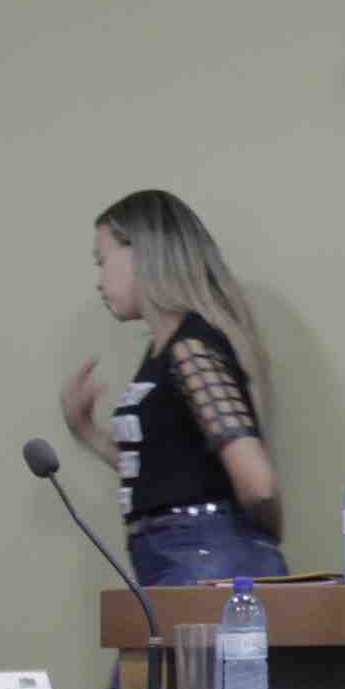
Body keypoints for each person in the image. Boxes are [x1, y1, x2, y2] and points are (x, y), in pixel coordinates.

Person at [58, 190, 288, 586]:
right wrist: (87, 433)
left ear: (142, 253)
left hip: (206, 560)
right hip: (182, 558)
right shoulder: (164, 351)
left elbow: (260, 486)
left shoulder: (190, 349)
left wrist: (257, 540)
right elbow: (164, 471)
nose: (99, 281)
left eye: (102, 260)